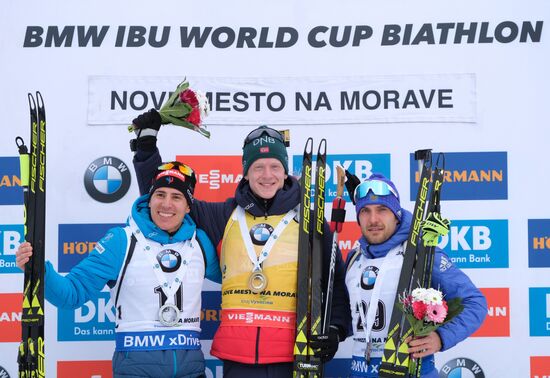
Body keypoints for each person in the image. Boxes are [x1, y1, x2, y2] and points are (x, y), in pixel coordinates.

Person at [130, 109, 352, 377]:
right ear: (246, 172)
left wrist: (336, 330)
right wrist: (146, 147)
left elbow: (334, 280)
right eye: (258, 167)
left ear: (285, 173)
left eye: (274, 167)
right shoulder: (224, 215)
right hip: (239, 358)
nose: (266, 175)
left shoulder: (308, 220)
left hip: (296, 355)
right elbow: (168, 201)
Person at [16, 161, 221, 378]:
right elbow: (72, 294)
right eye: (160, 194)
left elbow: (234, 279)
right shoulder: (121, 240)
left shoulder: (200, 242)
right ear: (149, 199)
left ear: (188, 206)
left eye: (176, 197)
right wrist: (39, 271)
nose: (166, 204)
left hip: (192, 372)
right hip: (136, 372)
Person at [344, 173, 487, 377]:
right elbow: (349, 314)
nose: (373, 219)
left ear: (396, 214)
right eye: (365, 211)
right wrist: (334, 330)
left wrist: (440, 338)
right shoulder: (354, 258)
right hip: (360, 371)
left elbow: (474, 303)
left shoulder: (421, 252)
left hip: (411, 371)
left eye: (382, 210)